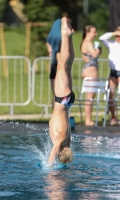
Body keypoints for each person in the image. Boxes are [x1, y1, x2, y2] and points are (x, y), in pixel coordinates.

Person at [48, 17, 75, 166]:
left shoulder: (67, 139)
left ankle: (69, 36)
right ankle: (65, 33)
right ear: (59, 151)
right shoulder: (60, 139)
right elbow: (53, 153)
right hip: (61, 99)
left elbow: (64, 149)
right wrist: (49, 166)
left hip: (68, 101)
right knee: (62, 65)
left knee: (69, 65)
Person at [80, 25, 101, 126]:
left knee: (91, 96)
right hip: (90, 71)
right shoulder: (87, 42)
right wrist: (99, 49)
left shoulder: (87, 42)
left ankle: (89, 119)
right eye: (94, 32)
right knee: (89, 97)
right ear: (88, 32)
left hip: (90, 71)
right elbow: (94, 55)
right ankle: (88, 120)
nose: (96, 34)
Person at [99, 27, 120, 125]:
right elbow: (102, 38)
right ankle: (113, 117)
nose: (118, 37)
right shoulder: (111, 44)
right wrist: (113, 32)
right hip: (113, 72)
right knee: (110, 94)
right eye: (117, 36)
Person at [46, 19, 61, 110]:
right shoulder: (61, 39)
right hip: (59, 67)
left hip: (53, 66)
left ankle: (54, 114)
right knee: (60, 93)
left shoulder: (50, 39)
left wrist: (51, 52)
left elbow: (50, 51)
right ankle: (59, 115)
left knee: (55, 94)